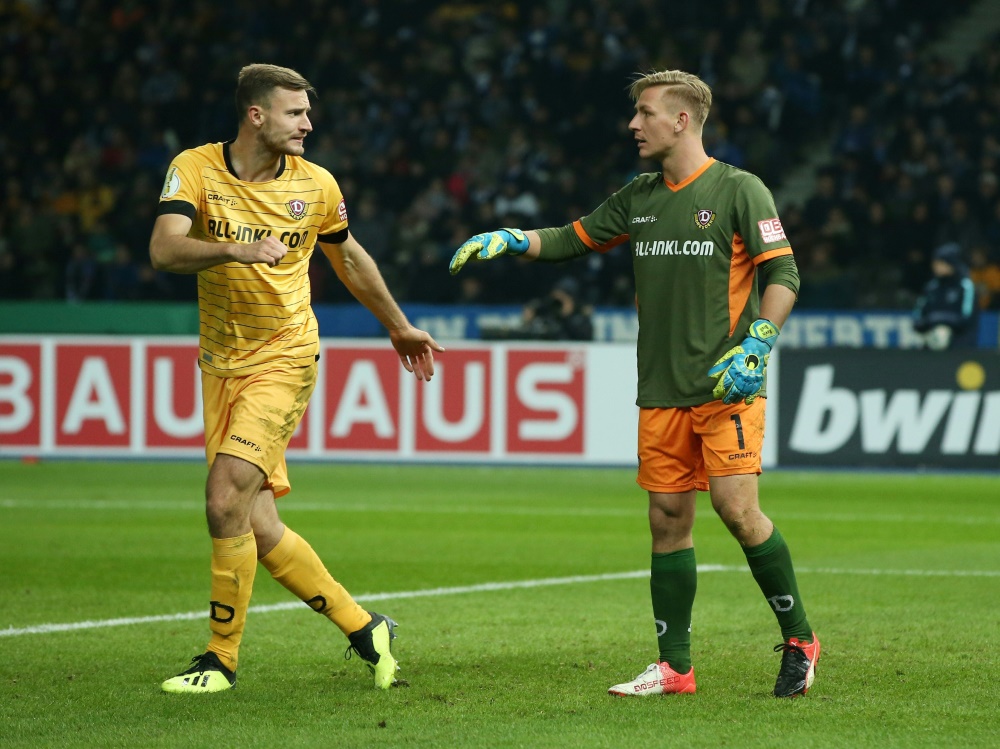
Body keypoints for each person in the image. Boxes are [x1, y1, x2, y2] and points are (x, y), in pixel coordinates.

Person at [449, 69, 819, 698]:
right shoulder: (638, 196)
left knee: (737, 510)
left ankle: (801, 640)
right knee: (667, 519)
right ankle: (675, 668)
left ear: (682, 120)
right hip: (660, 390)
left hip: (727, 384)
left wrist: (759, 342)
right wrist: (514, 239)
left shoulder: (739, 189)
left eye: (645, 112)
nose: (633, 124)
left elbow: (783, 272)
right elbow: (574, 238)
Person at [149, 63, 444, 694]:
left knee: (223, 498)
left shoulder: (317, 185)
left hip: (285, 357)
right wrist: (233, 248)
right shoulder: (195, 169)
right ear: (256, 115)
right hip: (220, 362)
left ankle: (219, 659)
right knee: (255, 523)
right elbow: (165, 249)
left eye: (308, 112)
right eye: (296, 113)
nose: (308, 123)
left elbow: (348, 255)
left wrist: (397, 324)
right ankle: (366, 628)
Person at [912, 242, 978, 349]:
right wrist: (930, 325)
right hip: (930, 348)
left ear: (951, 264)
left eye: (940, 263)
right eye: (935, 263)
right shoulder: (931, 287)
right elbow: (918, 317)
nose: (935, 266)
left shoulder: (965, 286)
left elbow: (967, 318)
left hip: (959, 348)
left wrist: (941, 322)